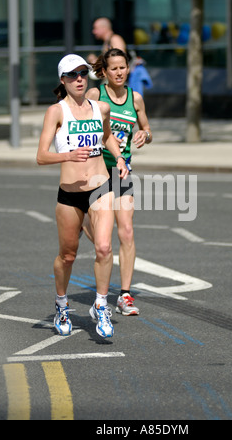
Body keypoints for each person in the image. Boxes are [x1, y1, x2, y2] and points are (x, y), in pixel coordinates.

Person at [36, 53, 128, 339]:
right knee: (67, 255)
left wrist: (119, 158)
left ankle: (100, 305)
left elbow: (107, 136)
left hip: (101, 187)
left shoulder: (100, 107)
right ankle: (62, 305)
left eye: (83, 74)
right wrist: (68, 155)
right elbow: (41, 156)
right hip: (70, 194)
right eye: (73, 75)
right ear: (62, 80)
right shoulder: (56, 112)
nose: (79, 79)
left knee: (103, 248)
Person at [85, 48, 152, 316]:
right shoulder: (94, 95)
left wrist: (144, 136)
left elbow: (147, 129)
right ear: (104, 71)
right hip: (97, 172)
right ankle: (84, 222)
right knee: (104, 239)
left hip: (121, 173)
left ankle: (125, 295)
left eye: (123, 67)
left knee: (126, 231)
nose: (119, 72)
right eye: (113, 68)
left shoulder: (135, 98)